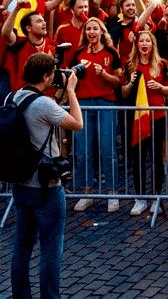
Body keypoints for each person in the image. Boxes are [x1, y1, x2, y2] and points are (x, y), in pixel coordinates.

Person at [10, 52, 83, 299]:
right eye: (53, 73)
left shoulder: (14, 97)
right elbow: (77, 123)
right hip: (46, 186)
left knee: (22, 246)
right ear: (45, 76)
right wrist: (71, 90)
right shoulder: (44, 104)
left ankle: (21, 296)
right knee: (51, 248)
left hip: (20, 182)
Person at [72, 17, 123, 212]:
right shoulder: (78, 54)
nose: (91, 32)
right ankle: (87, 193)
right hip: (83, 103)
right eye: (88, 29)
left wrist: (104, 74)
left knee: (107, 149)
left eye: (95, 29)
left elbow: (117, 80)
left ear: (101, 31)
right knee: (83, 151)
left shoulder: (111, 52)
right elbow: (71, 78)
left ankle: (112, 193)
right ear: (84, 33)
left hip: (106, 103)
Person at [120, 29, 168, 216]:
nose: (144, 44)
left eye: (147, 41)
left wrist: (159, 87)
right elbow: (124, 93)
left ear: (152, 45)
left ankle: (157, 197)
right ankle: (140, 198)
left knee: (157, 158)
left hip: (157, 117)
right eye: (141, 41)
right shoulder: (130, 66)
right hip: (137, 119)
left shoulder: (162, 64)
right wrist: (130, 83)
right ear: (137, 45)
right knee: (138, 159)